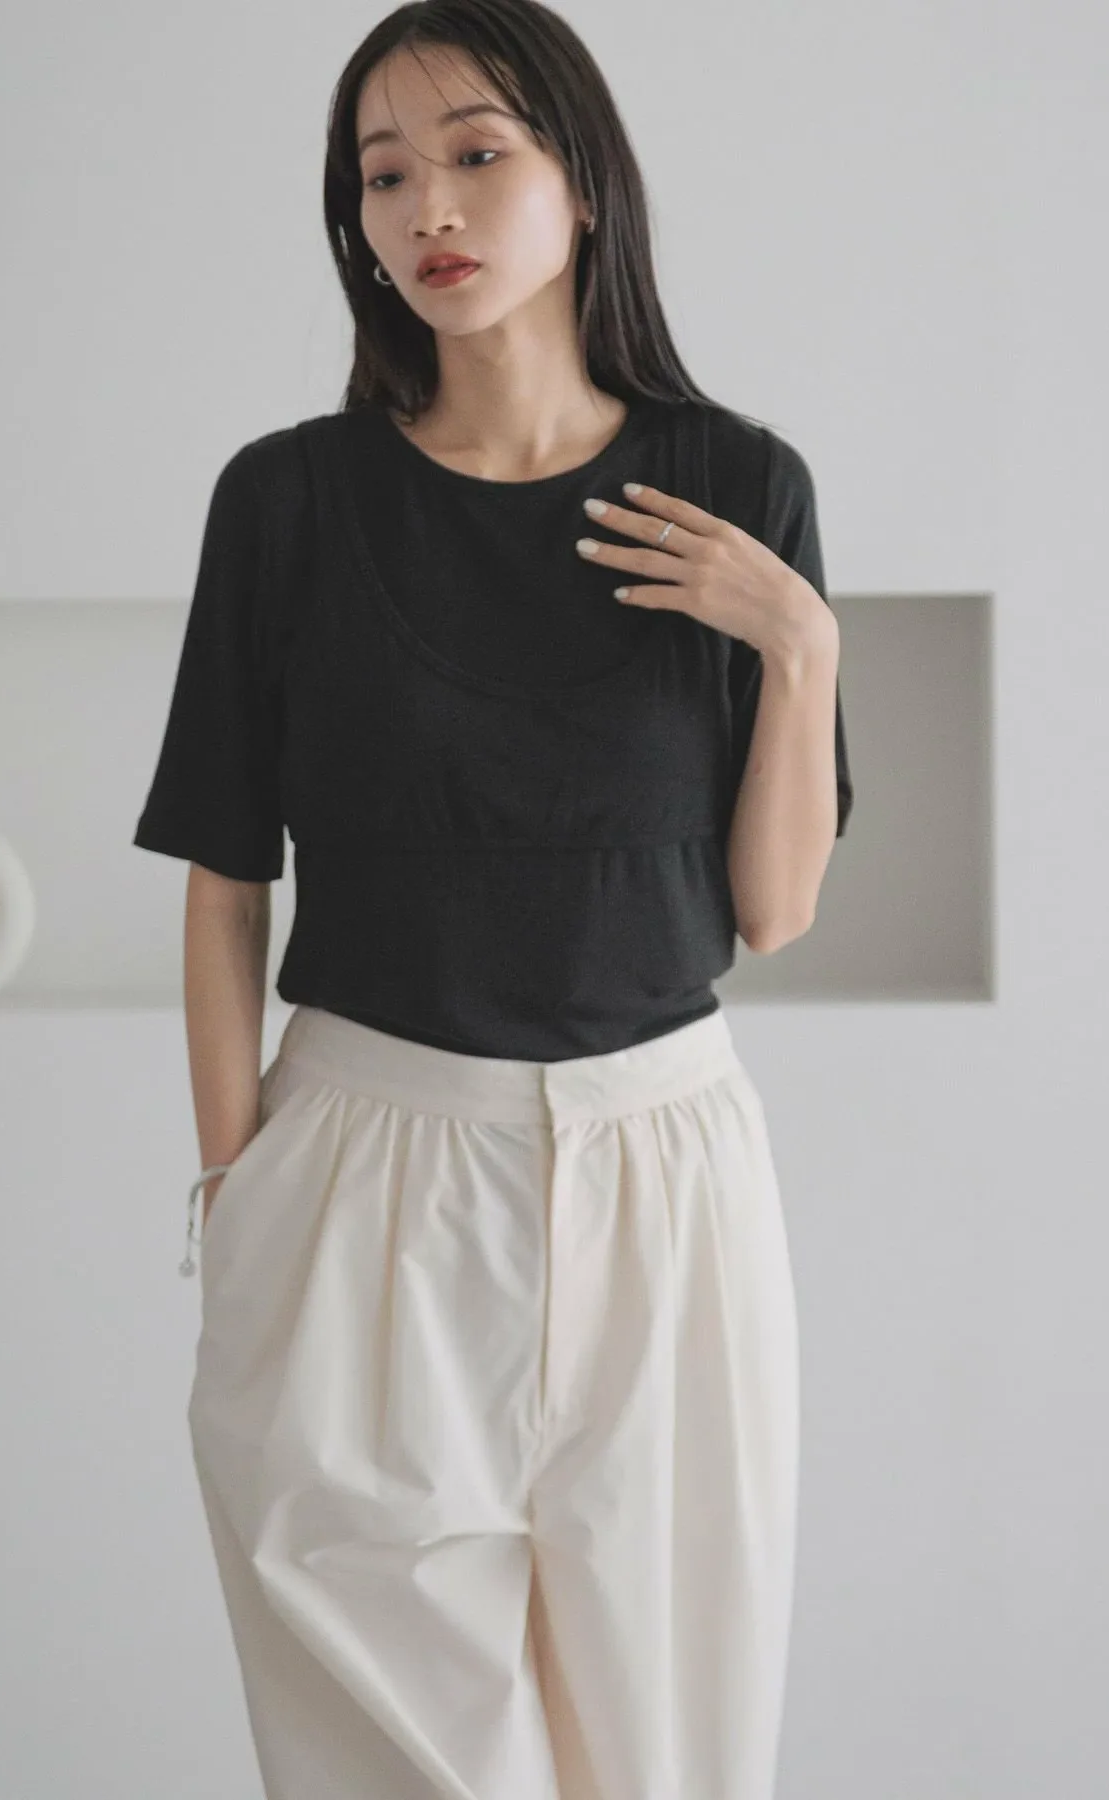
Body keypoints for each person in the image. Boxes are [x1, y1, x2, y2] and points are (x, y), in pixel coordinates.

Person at [133, 1, 853, 1794]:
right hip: (363, 1164)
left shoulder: (736, 487)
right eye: (383, 176)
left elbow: (772, 911)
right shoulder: (289, 500)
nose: (427, 210)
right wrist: (237, 1196)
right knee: (394, 1756)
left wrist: (801, 647)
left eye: (475, 154)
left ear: (583, 181)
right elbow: (226, 879)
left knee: (668, 1751)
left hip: (664, 1177)